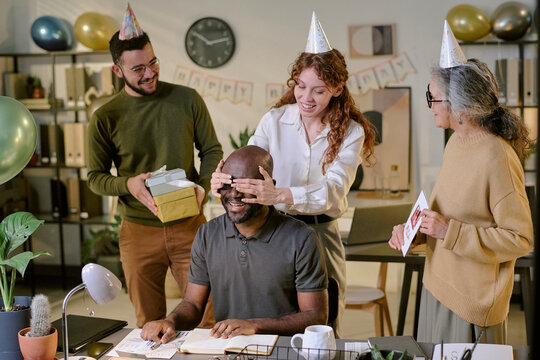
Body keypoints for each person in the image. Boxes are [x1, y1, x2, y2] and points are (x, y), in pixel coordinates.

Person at [211, 12, 375, 338]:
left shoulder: (351, 132)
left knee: (322, 325)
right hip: (274, 232)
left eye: (318, 90)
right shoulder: (274, 120)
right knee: (275, 316)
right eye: (301, 87)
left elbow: (334, 190)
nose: (306, 98)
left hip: (322, 233)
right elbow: (249, 162)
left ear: (337, 89)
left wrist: (280, 194)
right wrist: (225, 179)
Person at [388, 21, 534, 344]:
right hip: (436, 288)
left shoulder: (498, 156)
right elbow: (442, 217)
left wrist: (448, 232)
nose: (429, 106)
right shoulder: (455, 143)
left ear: (460, 106)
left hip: (471, 307)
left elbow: (521, 238)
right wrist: (412, 234)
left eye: (433, 97)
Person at [87, 4, 222, 328]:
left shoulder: (187, 99)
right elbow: (95, 177)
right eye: (138, 69)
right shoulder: (105, 117)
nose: (149, 73)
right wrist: (127, 184)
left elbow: (212, 151)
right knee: (149, 324)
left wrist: (203, 188)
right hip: (137, 231)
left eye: (153, 62)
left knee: (207, 318)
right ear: (118, 71)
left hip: (190, 225)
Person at [141, 145, 328, 342]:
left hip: (281, 348)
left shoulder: (301, 238)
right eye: (228, 184)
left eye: (245, 186)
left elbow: (316, 317)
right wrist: (170, 321)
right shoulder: (207, 233)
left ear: (268, 185)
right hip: (228, 348)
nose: (234, 194)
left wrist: (254, 326)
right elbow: (193, 305)